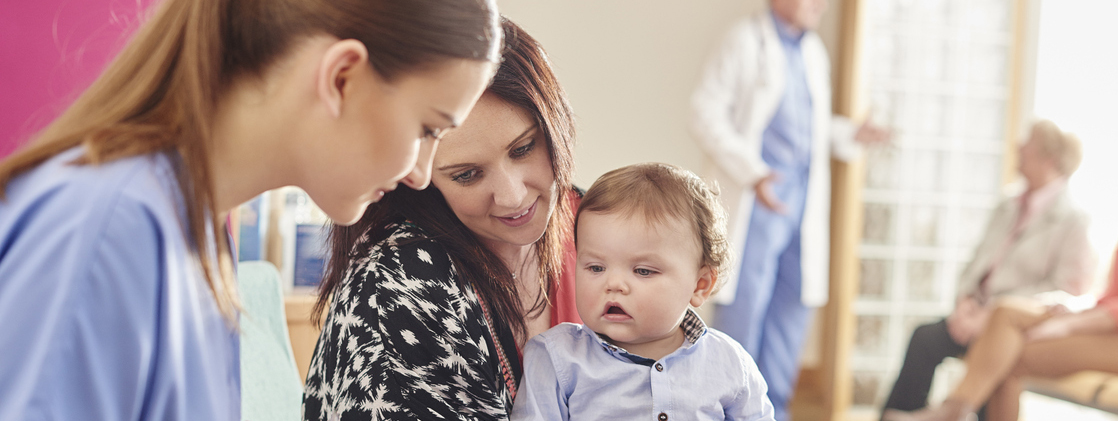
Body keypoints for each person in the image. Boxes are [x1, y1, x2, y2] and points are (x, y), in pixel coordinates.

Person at [0, 0, 500, 419]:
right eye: (427, 129)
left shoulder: (198, 239)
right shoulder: (112, 228)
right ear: (342, 77)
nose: (420, 172)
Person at [303, 19, 580, 421]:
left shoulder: (595, 223)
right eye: (467, 175)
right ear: (420, 178)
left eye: (523, 149)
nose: (513, 196)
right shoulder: (400, 286)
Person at [885, 127, 1118, 421]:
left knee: (1010, 357)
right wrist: (1072, 309)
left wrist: (1070, 324)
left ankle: (951, 412)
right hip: (1111, 329)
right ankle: (952, 412)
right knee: (1006, 312)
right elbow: (1113, 294)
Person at [690, 0, 890, 417]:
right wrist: (754, 173)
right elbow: (704, 112)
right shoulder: (745, 41)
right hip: (757, 202)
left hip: (800, 209)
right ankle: (729, 411)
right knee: (743, 315)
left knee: (790, 313)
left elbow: (811, 133)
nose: (823, 5)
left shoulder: (812, 52)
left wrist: (853, 133)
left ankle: (775, 411)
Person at [510, 163, 774, 420]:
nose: (614, 284)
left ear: (699, 285)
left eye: (643, 271)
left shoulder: (730, 362)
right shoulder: (556, 358)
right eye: (596, 267)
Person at [880, 120, 1097, 420]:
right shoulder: (1006, 206)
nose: (1018, 148)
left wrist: (992, 315)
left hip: (1018, 327)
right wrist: (965, 304)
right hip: (974, 316)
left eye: (1028, 144)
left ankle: (948, 413)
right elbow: (976, 265)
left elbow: (1067, 290)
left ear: (1049, 159)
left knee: (994, 358)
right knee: (925, 339)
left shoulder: (1073, 221)